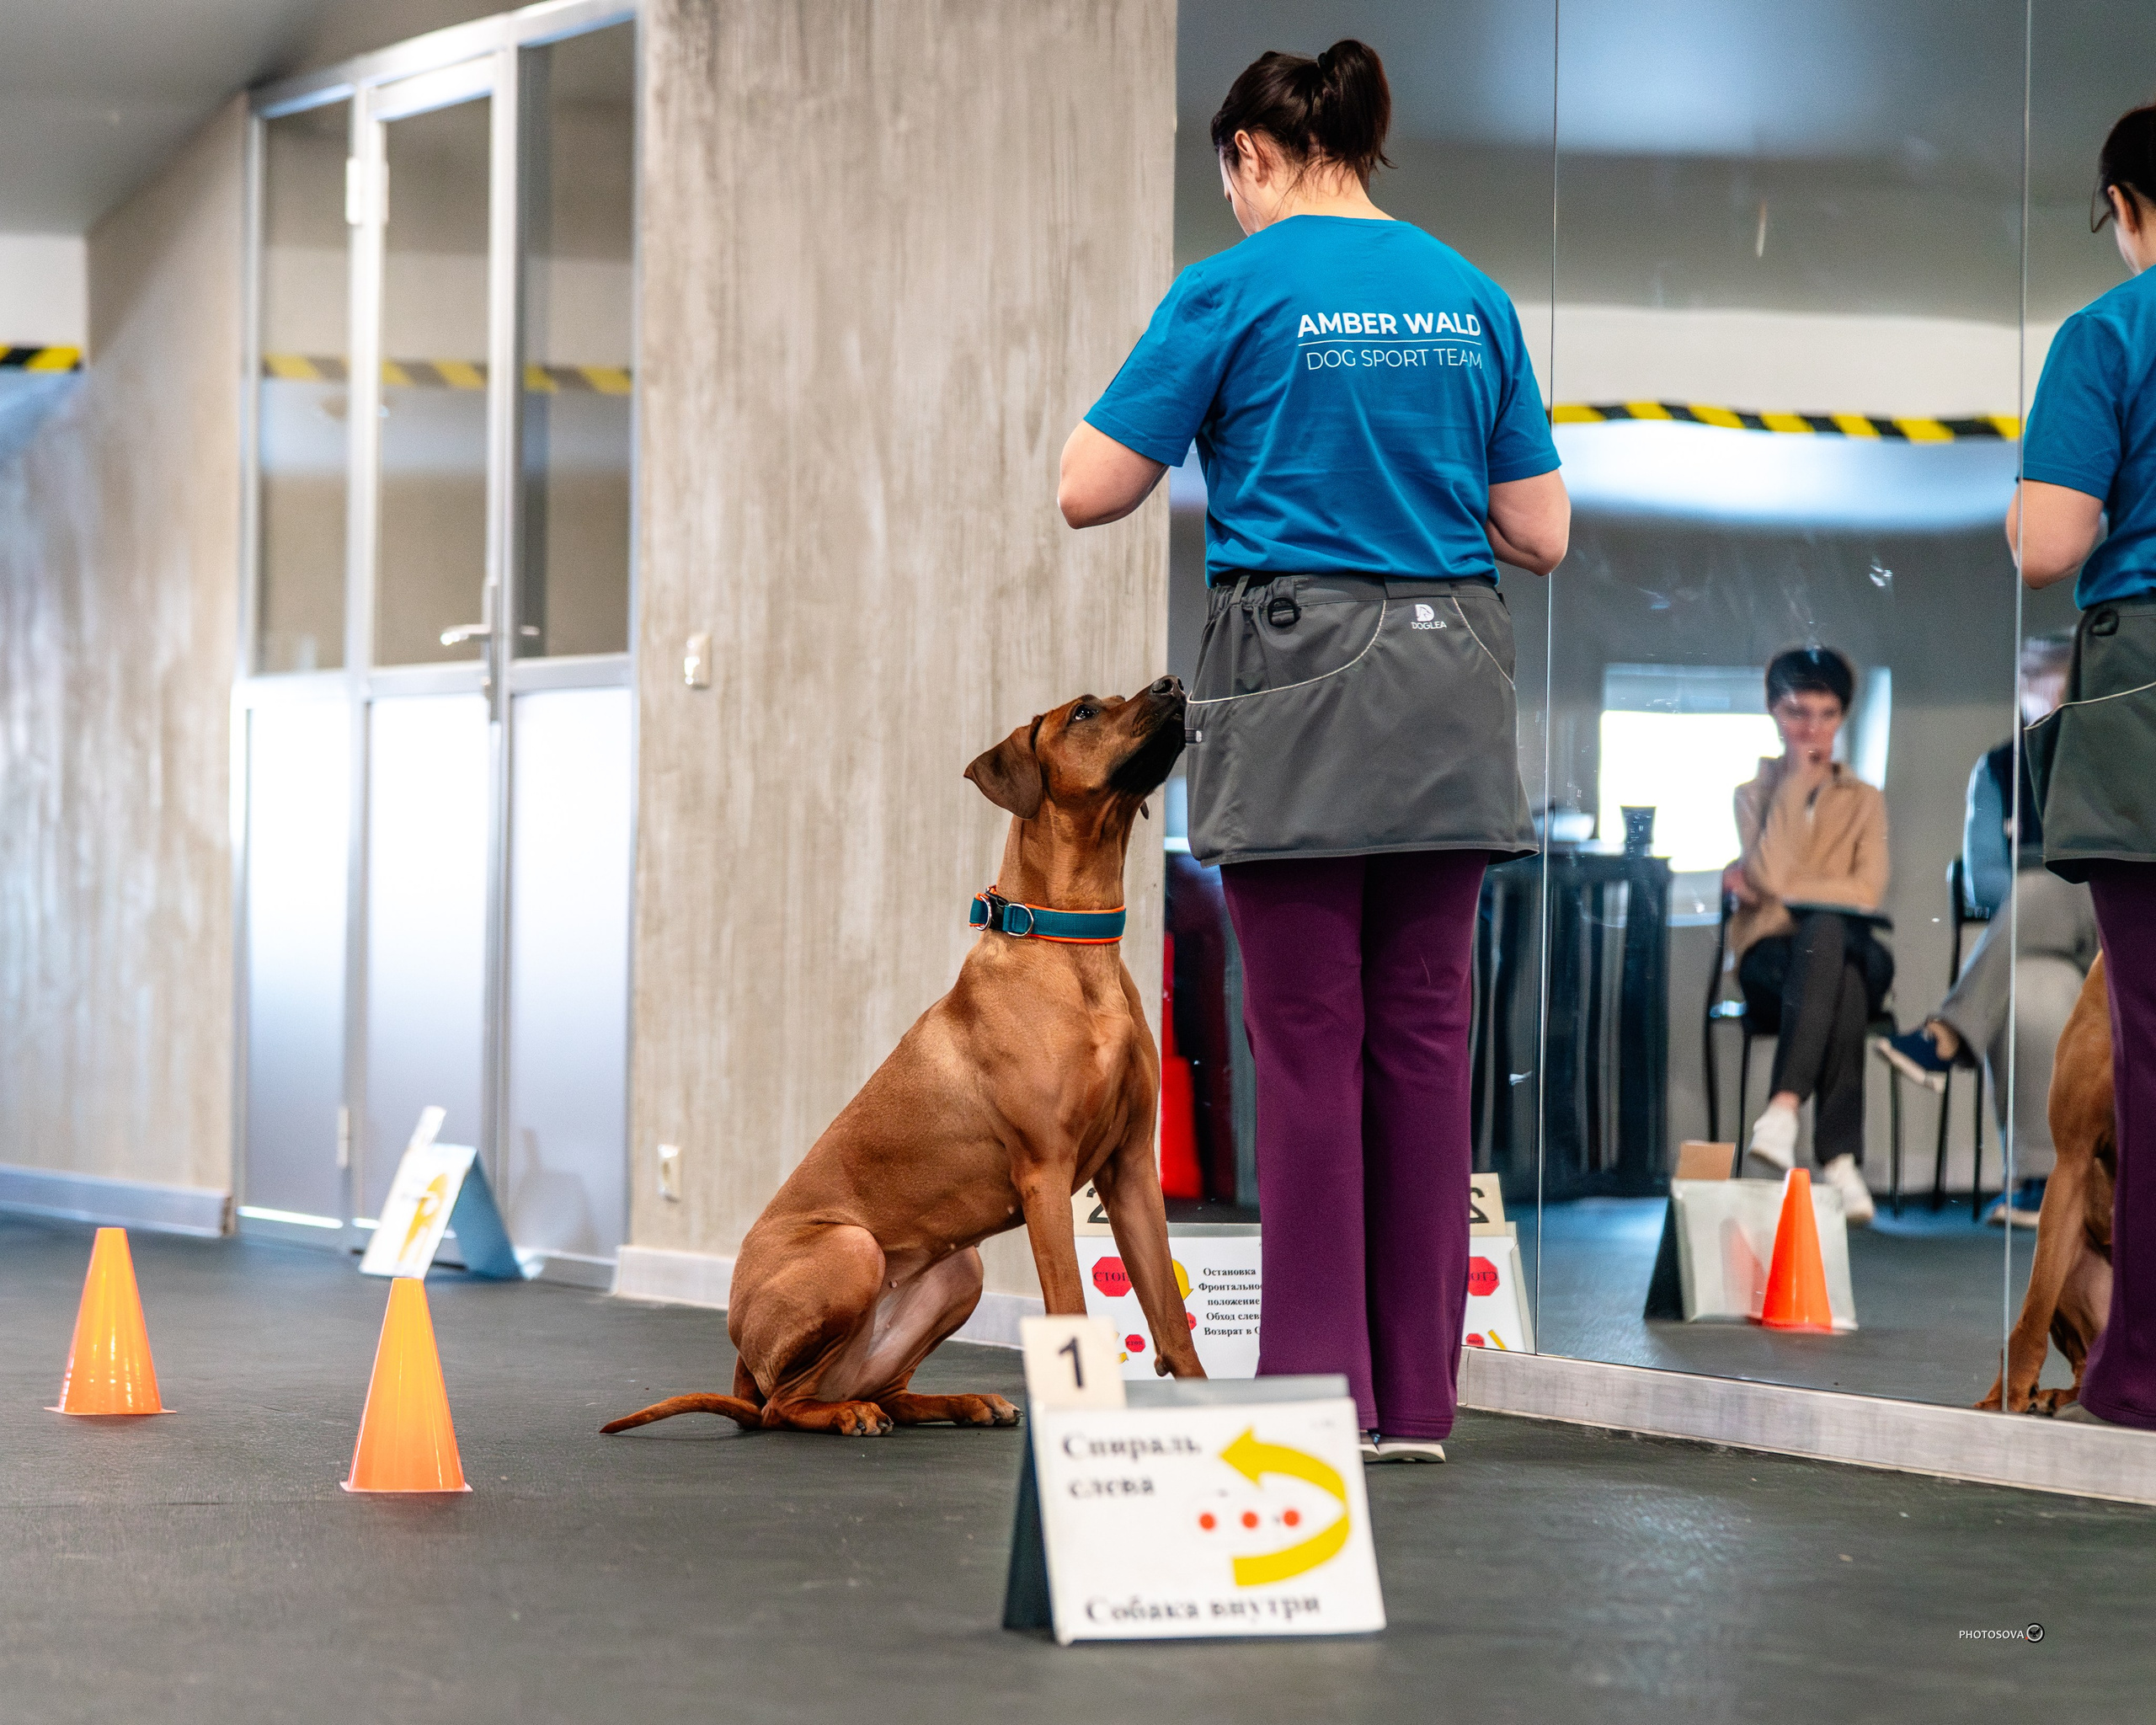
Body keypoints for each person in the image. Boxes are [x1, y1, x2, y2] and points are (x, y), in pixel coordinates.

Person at [1058, 40, 1567, 1462]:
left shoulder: (1231, 286)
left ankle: (1316, 1394)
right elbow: (1542, 531)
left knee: (1303, 1049)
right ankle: (1418, 1403)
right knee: (1425, 1045)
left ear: (1251, 155)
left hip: (1294, 684)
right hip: (1451, 684)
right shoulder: (1470, 293)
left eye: (1230, 177)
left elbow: (1087, 488)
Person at [2010, 104, 2156, 1430]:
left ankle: (2143, 1373)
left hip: (2148, 691)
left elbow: (2049, 544)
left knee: (2151, 1052)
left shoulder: (2109, 333)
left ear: (2123, 206)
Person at [1872, 633, 2100, 1226]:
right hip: (2042, 941)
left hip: (2111, 933)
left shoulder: (2114, 759)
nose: (2048, 699)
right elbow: (1985, 881)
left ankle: (1946, 1034)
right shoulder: (1999, 769)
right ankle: (2043, 1181)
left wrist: (2047, 879)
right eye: (2035, 686)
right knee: (2028, 988)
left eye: (2060, 685)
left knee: (2041, 888)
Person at [1722, 648, 1892, 1224]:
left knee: (1829, 933)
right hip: (1772, 961)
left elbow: (1866, 891)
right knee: (1840, 975)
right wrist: (1795, 785)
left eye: (1826, 714)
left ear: (1842, 717)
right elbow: (1772, 875)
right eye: (1797, 712)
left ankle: (1783, 1109)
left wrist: (1781, 889)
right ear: (1774, 711)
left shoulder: (1864, 800)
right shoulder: (1752, 794)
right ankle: (1840, 1162)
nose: (1811, 729)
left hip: (1854, 945)